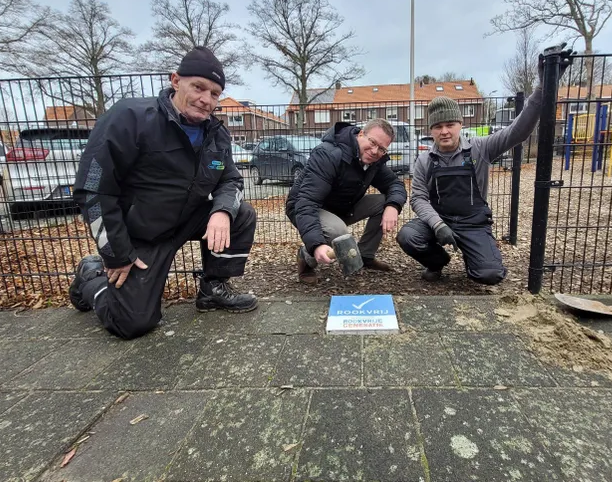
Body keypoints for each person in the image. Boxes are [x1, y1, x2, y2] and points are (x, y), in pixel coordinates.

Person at [67, 46, 258, 340]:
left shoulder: (217, 134)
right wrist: (116, 253)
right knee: (131, 324)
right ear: (175, 80)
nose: (206, 99)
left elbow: (230, 180)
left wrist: (221, 211)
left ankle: (213, 288)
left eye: (215, 93)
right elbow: (93, 189)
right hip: (142, 233)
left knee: (240, 214)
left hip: (185, 220)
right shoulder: (129, 117)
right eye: (199, 87)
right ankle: (91, 276)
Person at [397, 46, 573, 285]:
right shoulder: (425, 159)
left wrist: (543, 88)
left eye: (450, 124)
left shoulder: (481, 148)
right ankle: (437, 262)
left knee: (489, 275)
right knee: (408, 236)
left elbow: (518, 132)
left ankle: (476, 258)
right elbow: (418, 198)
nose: (445, 131)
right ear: (431, 130)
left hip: (473, 223)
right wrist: (438, 225)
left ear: (460, 124)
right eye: (438, 127)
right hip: (440, 219)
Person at [286, 118, 408, 284]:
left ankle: (365, 256)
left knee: (384, 202)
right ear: (361, 134)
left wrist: (393, 206)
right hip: (306, 207)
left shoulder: (373, 162)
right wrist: (316, 244)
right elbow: (306, 202)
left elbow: (394, 184)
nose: (374, 151)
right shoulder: (328, 154)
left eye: (382, 149)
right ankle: (305, 257)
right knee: (338, 233)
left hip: (342, 207)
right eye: (372, 142)